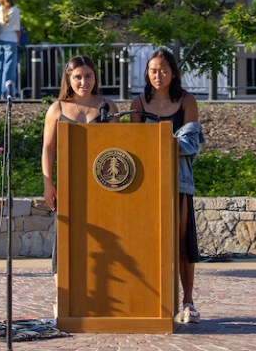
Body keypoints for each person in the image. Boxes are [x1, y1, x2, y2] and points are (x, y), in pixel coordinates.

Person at [131, 48, 204, 325]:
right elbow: (135, 147)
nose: (158, 75)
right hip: (145, 184)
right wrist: (171, 141)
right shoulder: (137, 103)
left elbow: (192, 144)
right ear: (146, 74)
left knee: (183, 243)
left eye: (163, 70)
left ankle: (188, 301)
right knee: (149, 243)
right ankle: (154, 298)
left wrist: (159, 140)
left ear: (173, 72)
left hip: (179, 182)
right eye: (152, 70)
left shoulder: (187, 101)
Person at [41, 55, 119, 211]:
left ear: (95, 78)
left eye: (88, 76)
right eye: (78, 77)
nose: (84, 82)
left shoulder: (108, 106)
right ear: (69, 79)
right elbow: (48, 149)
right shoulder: (57, 109)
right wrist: (48, 184)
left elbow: (117, 146)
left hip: (104, 179)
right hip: (70, 180)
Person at [0, 0, 21, 99]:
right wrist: (18, 41)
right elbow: (17, 29)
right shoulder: (15, 11)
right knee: (9, 68)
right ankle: (6, 93)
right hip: (11, 40)